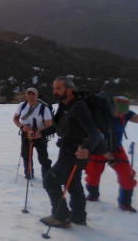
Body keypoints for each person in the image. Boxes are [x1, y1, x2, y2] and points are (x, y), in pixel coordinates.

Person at [29, 76, 103, 228]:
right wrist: (40, 133)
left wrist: (87, 149)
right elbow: (57, 125)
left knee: (50, 180)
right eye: (54, 87)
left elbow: (94, 132)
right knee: (74, 182)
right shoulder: (64, 105)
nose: (54, 91)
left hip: (76, 152)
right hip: (69, 150)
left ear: (69, 90)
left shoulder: (78, 107)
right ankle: (78, 216)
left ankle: (60, 217)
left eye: (58, 88)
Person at [85, 96, 137, 212]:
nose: (121, 115)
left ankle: (125, 202)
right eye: (119, 112)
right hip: (98, 149)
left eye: (124, 113)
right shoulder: (100, 115)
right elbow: (94, 135)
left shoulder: (125, 114)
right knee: (93, 174)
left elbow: (135, 118)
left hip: (116, 148)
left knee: (126, 175)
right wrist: (105, 153)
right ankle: (93, 195)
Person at [13, 87, 53, 179]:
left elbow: (49, 125)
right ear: (26, 95)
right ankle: (28, 174)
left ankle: (47, 178)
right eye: (29, 94)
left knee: (43, 157)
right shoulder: (22, 106)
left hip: (40, 136)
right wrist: (22, 127)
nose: (30, 96)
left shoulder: (44, 108)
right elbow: (15, 118)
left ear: (37, 96)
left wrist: (37, 131)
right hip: (26, 135)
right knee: (26, 155)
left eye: (33, 94)